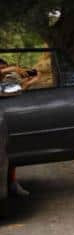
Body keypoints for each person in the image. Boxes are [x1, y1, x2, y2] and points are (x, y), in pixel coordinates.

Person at [0, 58, 34, 196]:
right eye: (2, 69)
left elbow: (16, 89)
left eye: (4, 69)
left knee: (8, 156)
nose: (3, 72)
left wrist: (32, 81)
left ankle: (11, 184)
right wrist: (13, 69)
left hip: (4, 128)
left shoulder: (6, 83)